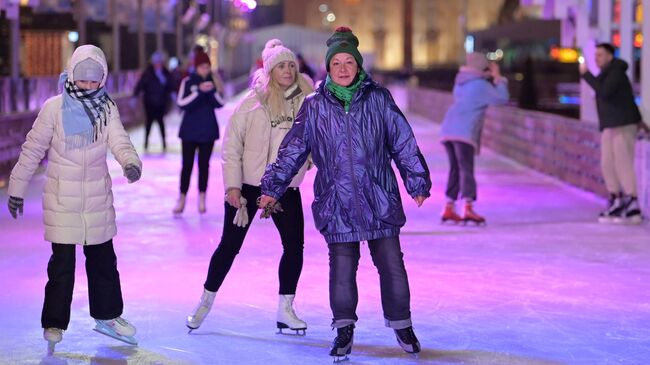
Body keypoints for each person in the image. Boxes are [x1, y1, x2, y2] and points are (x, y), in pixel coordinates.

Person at [258, 27, 431, 359]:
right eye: (335, 62)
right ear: (328, 67)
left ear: (358, 64)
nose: (342, 68)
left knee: (392, 265)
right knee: (341, 267)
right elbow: (292, 151)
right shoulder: (314, 106)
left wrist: (417, 180)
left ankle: (402, 324)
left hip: (379, 196)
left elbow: (403, 142)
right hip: (337, 201)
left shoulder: (379, 99)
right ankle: (343, 328)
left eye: (348, 61)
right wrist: (272, 187)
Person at [6, 45, 142, 352]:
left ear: (103, 78)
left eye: (95, 81)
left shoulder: (107, 108)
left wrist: (130, 162)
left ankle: (108, 315)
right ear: (73, 76)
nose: (89, 86)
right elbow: (32, 149)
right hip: (62, 200)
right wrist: (16, 187)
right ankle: (53, 322)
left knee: (104, 261)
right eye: (84, 80)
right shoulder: (54, 108)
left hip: (96, 198)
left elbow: (119, 139)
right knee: (62, 266)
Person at [185, 39, 314, 335]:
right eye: (281, 65)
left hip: (283, 187)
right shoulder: (251, 103)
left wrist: (308, 162)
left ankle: (286, 309)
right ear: (269, 70)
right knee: (229, 246)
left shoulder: (305, 103)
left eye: (291, 65)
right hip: (248, 187)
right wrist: (232, 187)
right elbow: (231, 148)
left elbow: (313, 139)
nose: (287, 70)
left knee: (294, 247)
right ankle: (205, 301)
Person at [438, 52, 509, 225]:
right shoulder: (480, 86)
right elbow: (502, 98)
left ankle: (449, 206)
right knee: (466, 169)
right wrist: (498, 78)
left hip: (448, 128)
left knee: (455, 168)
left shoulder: (461, 83)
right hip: (464, 131)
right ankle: (468, 207)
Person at [580, 43, 644, 224]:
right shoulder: (606, 74)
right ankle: (616, 198)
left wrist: (586, 74)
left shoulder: (616, 73)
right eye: (595, 55)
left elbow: (604, 92)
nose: (596, 59)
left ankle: (632, 202)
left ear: (610, 56)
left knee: (623, 162)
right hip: (610, 125)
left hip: (623, 124)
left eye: (600, 55)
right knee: (608, 163)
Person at [173, 49, 224, 215]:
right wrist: (198, 92)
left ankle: (202, 197)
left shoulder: (214, 82)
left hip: (207, 131)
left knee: (204, 166)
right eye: (202, 67)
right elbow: (181, 102)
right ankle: (182, 198)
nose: (205, 70)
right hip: (189, 131)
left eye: (207, 67)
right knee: (186, 166)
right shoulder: (188, 81)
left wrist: (210, 91)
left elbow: (220, 103)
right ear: (196, 67)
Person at [134, 51, 173, 152]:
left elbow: (171, 85)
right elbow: (140, 84)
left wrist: (165, 81)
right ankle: (146, 143)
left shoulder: (165, 73)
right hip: (149, 103)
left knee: (161, 123)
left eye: (159, 62)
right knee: (148, 123)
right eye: (156, 62)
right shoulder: (148, 73)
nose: (158, 64)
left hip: (161, 103)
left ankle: (164, 143)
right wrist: (135, 96)